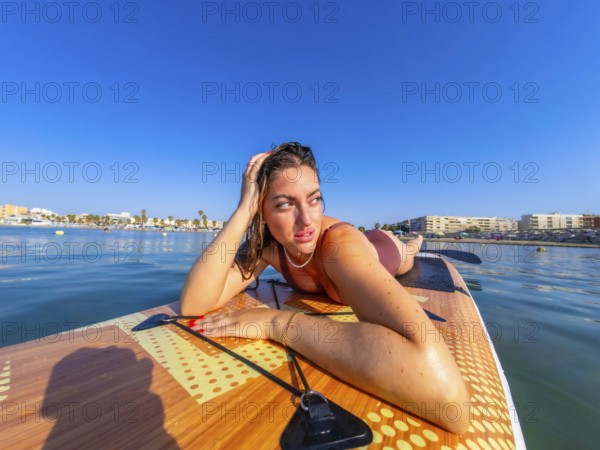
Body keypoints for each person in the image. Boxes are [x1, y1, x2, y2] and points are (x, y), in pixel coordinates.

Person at [180, 142, 470, 434]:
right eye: (285, 204)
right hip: (348, 240)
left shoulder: (338, 247)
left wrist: (275, 322)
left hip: (382, 250)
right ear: (262, 212)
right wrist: (243, 209)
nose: (306, 220)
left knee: (407, 255)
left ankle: (416, 242)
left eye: (314, 199)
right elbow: (194, 304)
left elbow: (450, 402)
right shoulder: (270, 248)